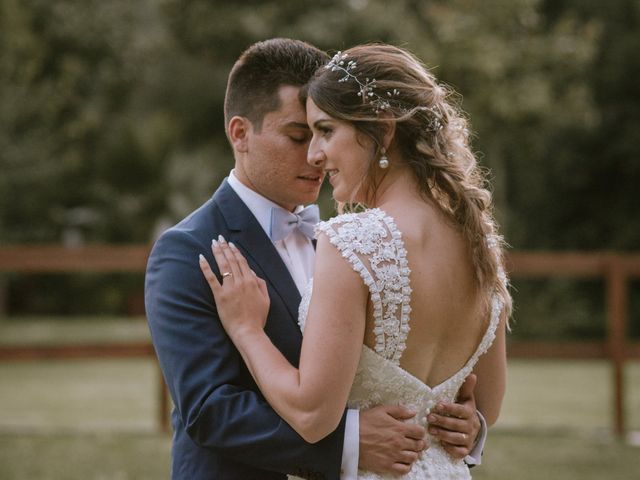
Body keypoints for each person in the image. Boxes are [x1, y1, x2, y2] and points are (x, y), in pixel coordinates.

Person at [146, 38, 483, 480]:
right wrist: (350, 442)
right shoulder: (188, 249)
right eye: (298, 135)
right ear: (240, 133)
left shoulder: (357, 242)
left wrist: (465, 427)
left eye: (326, 132)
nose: (315, 157)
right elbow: (209, 410)